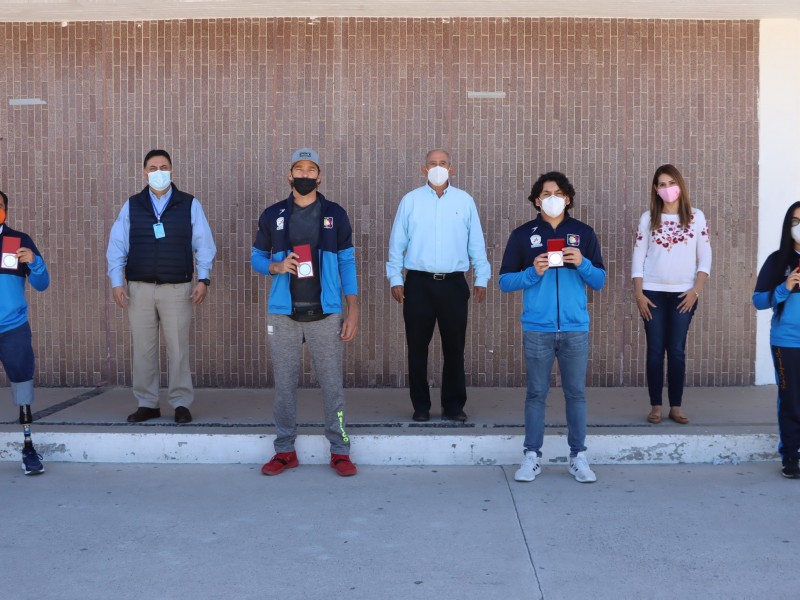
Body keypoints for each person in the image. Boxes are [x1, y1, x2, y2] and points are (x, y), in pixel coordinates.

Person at [252, 148, 360, 477]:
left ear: (319, 176)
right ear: (289, 175)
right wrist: (276, 265)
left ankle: (340, 451)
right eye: (298, 169)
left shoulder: (335, 214)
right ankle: (285, 451)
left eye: (310, 169)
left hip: (325, 313)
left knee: (332, 386)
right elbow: (256, 257)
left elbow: (347, 263)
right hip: (284, 314)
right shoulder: (273, 215)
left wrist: (352, 309)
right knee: (284, 386)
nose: (304, 174)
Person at [498, 171, 605, 483]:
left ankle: (578, 457)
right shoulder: (522, 235)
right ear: (536, 200)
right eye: (546, 194)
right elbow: (505, 281)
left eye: (558, 193)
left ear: (568, 198)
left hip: (575, 328)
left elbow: (599, 281)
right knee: (536, 394)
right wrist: (533, 272)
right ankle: (531, 456)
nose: (552, 198)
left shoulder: (583, 233)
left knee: (576, 393)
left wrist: (583, 262)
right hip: (538, 329)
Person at [106, 149, 216, 424]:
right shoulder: (132, 205)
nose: (158, 172)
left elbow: (204, 244)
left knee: (178, 349)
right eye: (153, 167)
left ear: (172, 170)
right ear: (144, 172)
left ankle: (180, 403)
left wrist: (203, 279)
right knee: (143, 349)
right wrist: (116, 281)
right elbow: (117, 245)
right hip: (138, 289)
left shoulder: (189, 204)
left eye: (163, 167)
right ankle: (147, 403)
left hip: (177, 288)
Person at [386, 149, 490, 423]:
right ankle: (421, 405)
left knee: (454, 347)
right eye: (432, 163)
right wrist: (395, 278)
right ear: (424, 169)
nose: (437, 167)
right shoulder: (410, 201)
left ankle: (454, 405)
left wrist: (482, 276)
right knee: (417, 347)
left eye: (442, 163)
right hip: (418, 284)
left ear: (452, 169)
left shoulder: (464, 201)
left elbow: (476, 242)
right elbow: (397, 243)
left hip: (454, 284)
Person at [631, 164, 711, 425]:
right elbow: (638, 257)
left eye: (671, 183)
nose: (667, 189)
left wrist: (695, 291)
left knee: (676, 350)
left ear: (680, 185)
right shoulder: (648, 218)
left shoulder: (696, 217)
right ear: (656, 189)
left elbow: (705, 256)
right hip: (652, 293)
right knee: (655, 350)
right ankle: (656, 406)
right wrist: (639, 294)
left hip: (683, 295)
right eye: (662, 184)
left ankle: (675, 406)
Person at [0, 189, 50, 474]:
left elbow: (42, 284)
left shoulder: (18, 241)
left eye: (0, 205)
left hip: (12, 328)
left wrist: (35, 261)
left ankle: (29, 446)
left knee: (22, 386)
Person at [753, 201, 800, 478]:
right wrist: (784, 288)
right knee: (791, 399)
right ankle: (791, 456)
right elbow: (758, 300)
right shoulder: (778, 260)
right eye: (795, 221)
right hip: (787, 342)